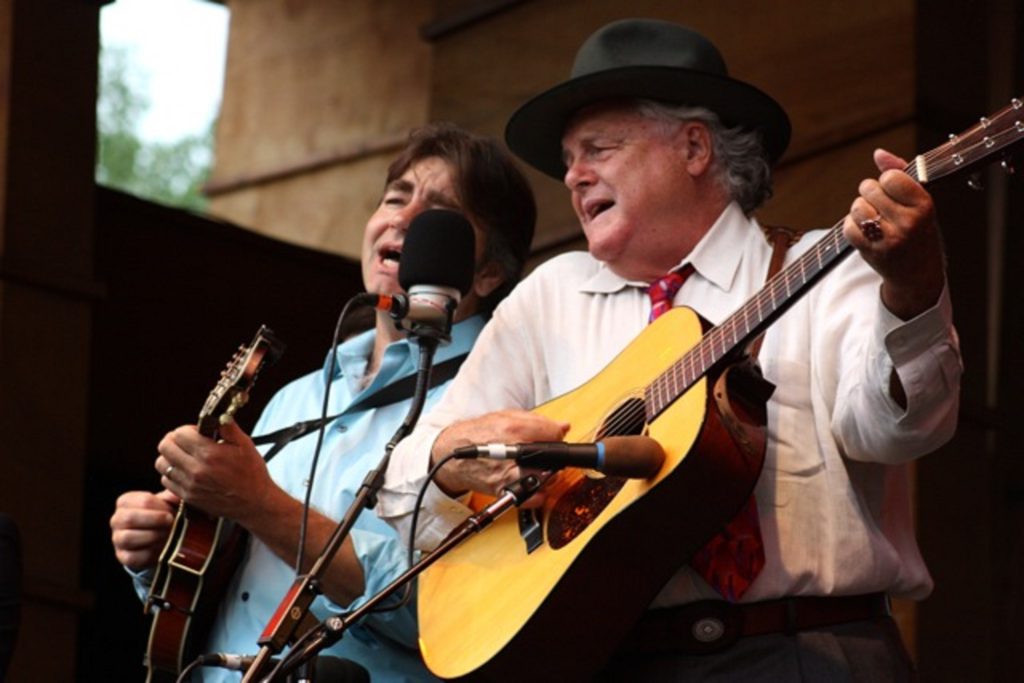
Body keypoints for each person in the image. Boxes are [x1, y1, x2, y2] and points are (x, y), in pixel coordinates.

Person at [379, 19, 961, 681]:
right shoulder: (550, 297)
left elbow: (900, 431)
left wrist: (913, 287)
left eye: (598, 149)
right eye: (568, 161)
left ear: (693, 147)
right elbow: (401, 489)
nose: (574, 177)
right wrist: (451, 457)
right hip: (610, 659)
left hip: (808, 651)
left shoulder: (827, 268)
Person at [109, 122, 536, 681]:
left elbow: (448, 614)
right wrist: (163, 550)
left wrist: (259, 502)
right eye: (396, 198)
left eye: (439, 213)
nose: (403, 218)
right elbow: (231, 582)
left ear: (488, 272)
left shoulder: (501, 399)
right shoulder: (301, 395)